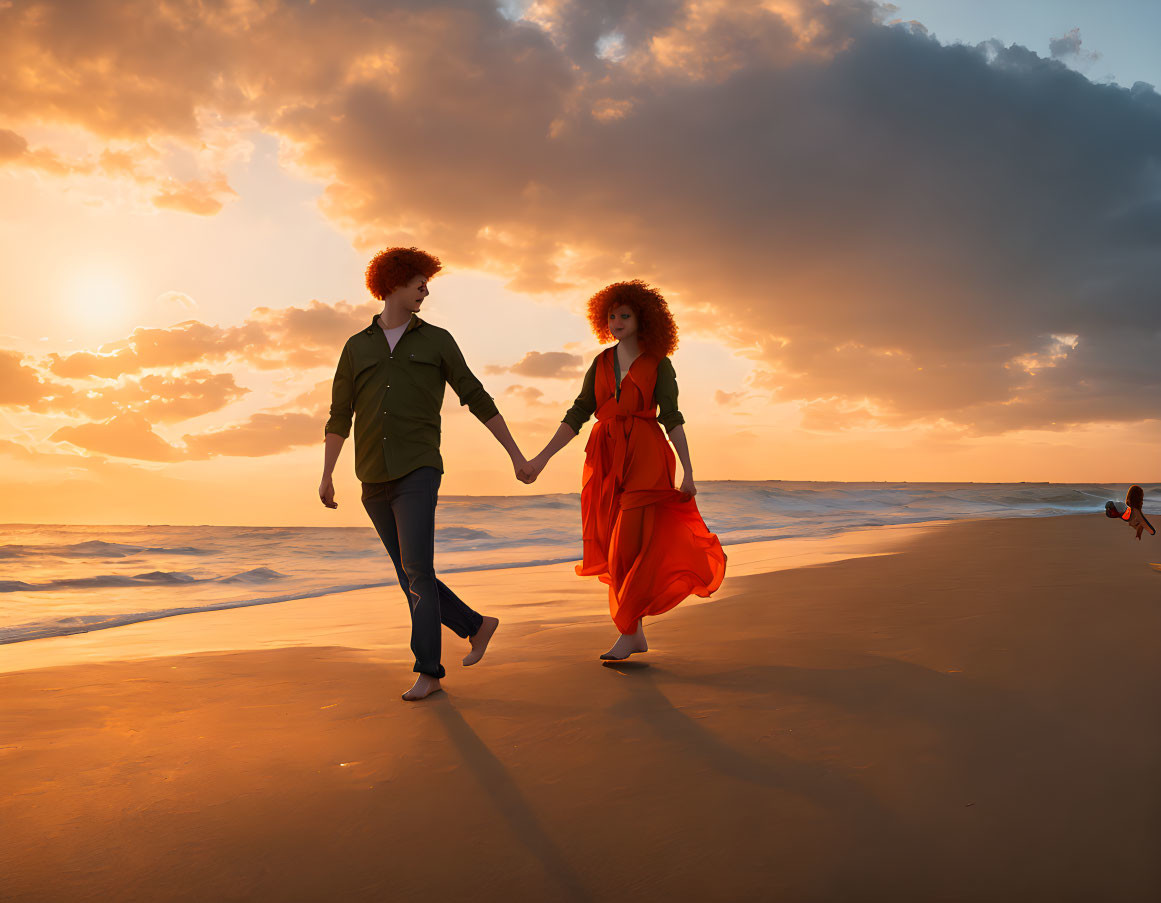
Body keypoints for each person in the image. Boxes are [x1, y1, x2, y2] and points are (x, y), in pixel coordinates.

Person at [320, 247, 523, 701]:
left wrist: (514, 454)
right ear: (392, 284)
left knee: (417, 568)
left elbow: (476, 395)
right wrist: (327, 472)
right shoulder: (357, 347)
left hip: (418, 468)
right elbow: (340, 414)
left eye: (427, 284)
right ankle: (476, 625)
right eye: (419, 284)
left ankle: (429, 671)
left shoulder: (437, 341)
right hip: (371, 473)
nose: (425, 292)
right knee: (408, 574)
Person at [518, 280, 726, 660]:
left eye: (624, 315)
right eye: (611, 316)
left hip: (646, 456)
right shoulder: (599, 363)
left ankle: (627, 629)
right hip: (605, 457)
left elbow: (673, 418)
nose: (616, 322)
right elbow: (578, 413)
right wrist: (541, 458)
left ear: (642, 317)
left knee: (628, 545)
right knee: (612, 548)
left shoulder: (659, 365)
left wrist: (689, 472)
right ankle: (635, 632)